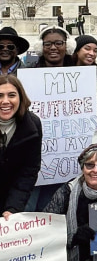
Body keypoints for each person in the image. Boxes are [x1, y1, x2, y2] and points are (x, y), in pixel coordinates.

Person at [0, 75, 44, 217]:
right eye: (0, 95)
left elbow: (28, 171)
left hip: (14, 196)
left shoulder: (33, 124)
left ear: (21, 97)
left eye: (11, 95)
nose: (5, 101)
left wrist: (13, 208)